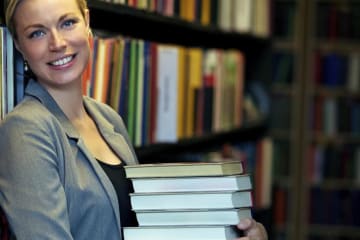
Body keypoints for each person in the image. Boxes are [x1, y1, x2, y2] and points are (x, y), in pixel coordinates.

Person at [0, 0, 268, 239]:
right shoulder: (24, 131)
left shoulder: (107, 119)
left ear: (87, 23)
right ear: (19, 46)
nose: (57, 43)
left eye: (68, 22)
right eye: (37, 33)